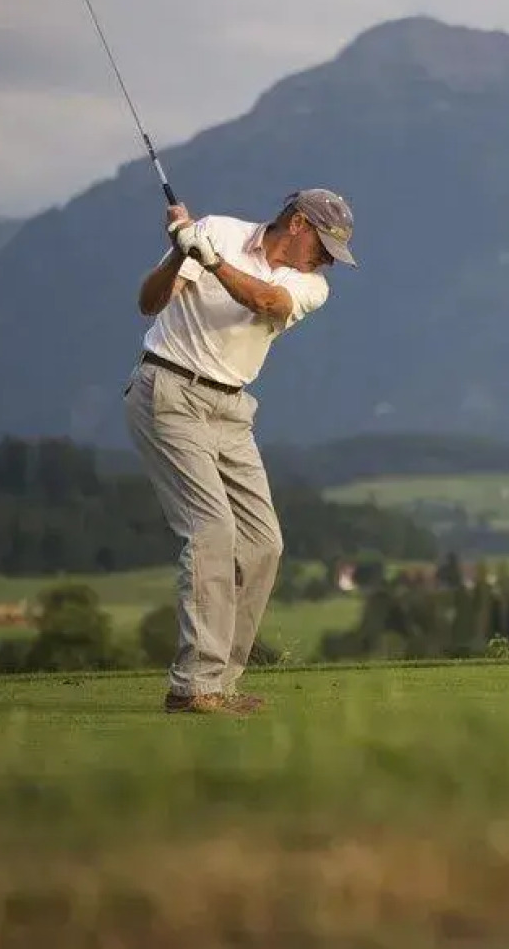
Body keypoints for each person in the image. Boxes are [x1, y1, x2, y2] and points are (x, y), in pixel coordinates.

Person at [123, 188, 357, 715]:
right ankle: (193, 687)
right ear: (297, 224)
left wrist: (210, 260)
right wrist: (183, 253)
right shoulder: (214, 230)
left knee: (263, 544)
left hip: (231, 410)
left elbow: (264, 302)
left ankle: (220, 682)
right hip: (168, 390)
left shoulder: (310, 285)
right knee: (211, 531)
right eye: (323, 246)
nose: (327, 262)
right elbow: (149, 303)